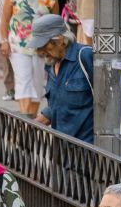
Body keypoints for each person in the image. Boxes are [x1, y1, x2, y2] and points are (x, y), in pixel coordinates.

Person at [0, 0, 59, 118]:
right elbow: (4, 18)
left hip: (41, 46)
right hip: (18, 44)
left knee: (38, 85)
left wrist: (51, 45)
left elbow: (55, 22)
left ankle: (29, 123)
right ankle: (25, 123)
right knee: (23, 80)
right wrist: (3, 41)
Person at [32, 12, 95, 144]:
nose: (41, 52)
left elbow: (109, 102)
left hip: (89, 152)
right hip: (62, 153)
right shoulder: (51, 64)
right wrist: (29, 127)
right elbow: (56, 107)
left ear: (60, 40)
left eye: (45, 46)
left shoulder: (85, 56)